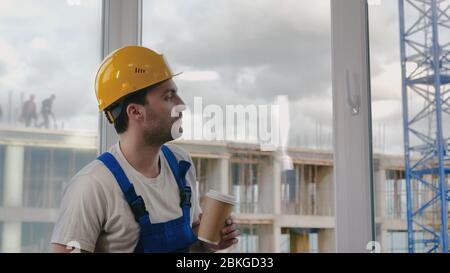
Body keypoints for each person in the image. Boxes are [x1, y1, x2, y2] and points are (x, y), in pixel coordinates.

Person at [51, 46, 240, 253]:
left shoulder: (180, 164)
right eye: (169, 97)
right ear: (135, 112)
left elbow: (189, 245)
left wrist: (207, 244)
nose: (182, 105)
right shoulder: (93, 186)